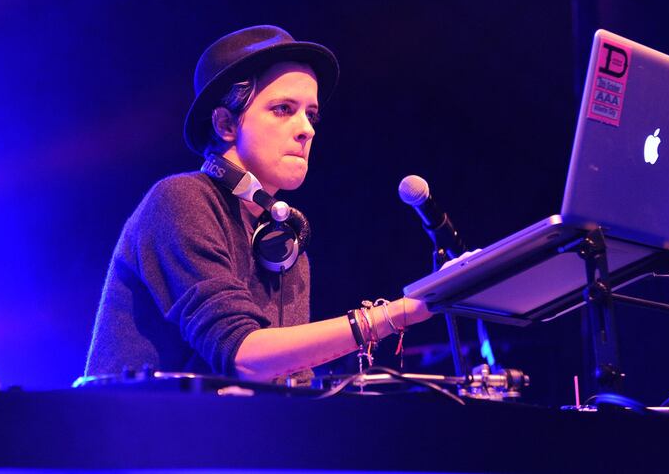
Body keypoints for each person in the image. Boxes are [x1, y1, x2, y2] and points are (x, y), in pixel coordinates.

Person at [85, 25, 433, 384]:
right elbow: (243, 357)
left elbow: (287, 385)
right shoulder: (180, 201)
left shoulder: (284, 243)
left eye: (311, 114)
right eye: (283, 109)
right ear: (225, 124)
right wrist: (395, 315)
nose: (307, 129)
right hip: (136, 422)